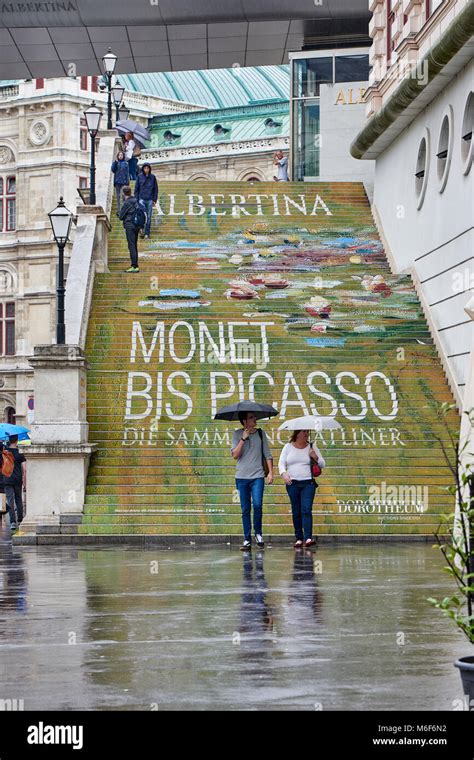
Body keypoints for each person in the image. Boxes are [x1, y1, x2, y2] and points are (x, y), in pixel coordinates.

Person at [231, 412, 273, 551]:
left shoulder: (261, 434)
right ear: (244, 421)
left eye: (254, 417)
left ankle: (258, 534)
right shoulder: (237, 434)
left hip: (258, 476)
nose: (254, 419)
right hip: (241, 477)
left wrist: (271, 473)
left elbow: (267, 454)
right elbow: (235, 455)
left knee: (258, 505)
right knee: (245, 509)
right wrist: (243, 439)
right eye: (251, 417)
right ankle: (247, 539)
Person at [278, 429, 325, 548]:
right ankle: (299, 538)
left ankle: (308, 538)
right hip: (292, 484)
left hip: (308, 484)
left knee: (306, 510)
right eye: (303, 431)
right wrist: (283, 473)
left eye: (307, 432)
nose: (306, 434)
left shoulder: (311, 446)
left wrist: (315, 457)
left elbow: (323, 464)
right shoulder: (288, 447)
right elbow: (281, 463)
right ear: (297, 433)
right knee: (296, 511)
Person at [3, 435, 26, 532]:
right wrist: (24, 482)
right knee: (18, 499)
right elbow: (24, 469)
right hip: (17, 479)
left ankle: (12, 522)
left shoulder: (5, 452)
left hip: (7, 478)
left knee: (10, 500)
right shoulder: (20, 453)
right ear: (17, 440)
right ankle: (20, 519)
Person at [119, 186, 142, 273]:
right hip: (136, 225)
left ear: (123, 193)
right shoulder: (136, 201)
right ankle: (135, 265)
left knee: (131, 246)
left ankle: (134, 266)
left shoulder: (126, 203)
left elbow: (121, 216)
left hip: (129, 225)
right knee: (134, 245)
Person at [134, 163, 158, 239]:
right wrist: (137, 199)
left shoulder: (153, 177)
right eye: (145, 168)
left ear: (149, 169)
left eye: (148, 168)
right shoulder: (139, 177)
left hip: (150, 199)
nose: (146, 170)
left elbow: (155, 189)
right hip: (141, 199)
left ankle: (147, 233)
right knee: (142, 215)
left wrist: (154, 200)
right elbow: (136, 189)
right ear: (143, 169)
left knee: (149, 217)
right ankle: (141, 229)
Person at [111, 150, 130, 215]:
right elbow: (113, 170)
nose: (120, 156)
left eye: (121, 155)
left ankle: (123, 209)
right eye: (119, 155)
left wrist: (127, 182)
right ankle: (119, 209)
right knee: (118, 196)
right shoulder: (116, 163)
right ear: (118, 156)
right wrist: (115, 163)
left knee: (123, 195)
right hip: (117, 182)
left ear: (123, 156)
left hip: (124, 182)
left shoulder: (126, 163)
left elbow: (127, 173)